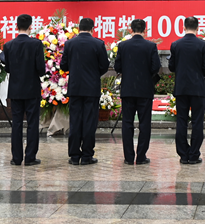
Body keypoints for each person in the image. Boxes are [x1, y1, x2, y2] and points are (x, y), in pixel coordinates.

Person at [60, 17, 109, 165]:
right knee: (89, 122)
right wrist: (94, 75)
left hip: (75, 88)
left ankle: (74, 156)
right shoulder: (98, 44)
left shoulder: (69, 44)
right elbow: (104, 65)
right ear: (92, 29)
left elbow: (63, 65)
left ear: (78, 28)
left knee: (75, 121)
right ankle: (87, 155)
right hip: (91, 89)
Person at [113, 18, 161, 165]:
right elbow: (155, 67)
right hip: (145, 90)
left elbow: (117, 67)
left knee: (127, 123)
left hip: (128, 90)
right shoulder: (151, 46)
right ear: (145, 30)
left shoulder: (123, 46)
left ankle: (128, 157)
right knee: (144, 123)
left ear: (131, 30)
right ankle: (141, 156)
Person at [168, 16, 205, 165]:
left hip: (181, 88)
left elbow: (171, 67)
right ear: (198, 28)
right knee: (197, 121)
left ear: (183, 27)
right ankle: (194, 155)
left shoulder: (176, 44)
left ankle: (183, 154)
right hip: (198, 88)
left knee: (181, 120)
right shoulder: (202, 44)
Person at [2, 13, 46, 166]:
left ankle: (16, 158)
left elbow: (7, 68)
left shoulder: (8, 45)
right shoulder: (36, 44)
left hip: (15, 89)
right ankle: (30, 157)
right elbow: (41, 69)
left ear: (16, 26)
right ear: (30, 27)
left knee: (17, 124)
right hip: (32, 89)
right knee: (33, 123)